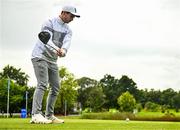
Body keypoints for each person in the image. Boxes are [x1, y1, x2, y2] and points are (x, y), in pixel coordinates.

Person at [30, 5, 80, 124]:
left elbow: (67, 43)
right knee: (42, 83)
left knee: (56, 87)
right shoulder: (49, 22)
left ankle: (49, 115)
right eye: (71, 15)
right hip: (40, 56)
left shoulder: (69, 30)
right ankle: (36, 114)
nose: (73, 18)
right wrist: (57, 49)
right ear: (63, 13)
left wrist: (63, 51)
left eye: (74, 16)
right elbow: (46, 39)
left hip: (52, 60)